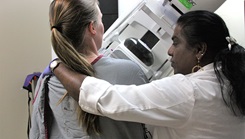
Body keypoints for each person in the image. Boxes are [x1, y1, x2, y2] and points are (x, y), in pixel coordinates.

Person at [51, 10, 245, 139]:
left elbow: (106, 99)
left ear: (200, 50)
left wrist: (56, 65)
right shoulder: (231, 81)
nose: (169, 51)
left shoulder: (189, 91)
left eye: (176, 42)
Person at [29, 0, 151, 138]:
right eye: (100, 19)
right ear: (92, 27)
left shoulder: (48, 80)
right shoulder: (129, 72)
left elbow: (37, 133)